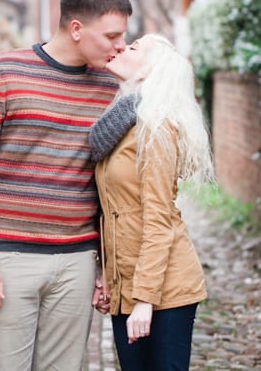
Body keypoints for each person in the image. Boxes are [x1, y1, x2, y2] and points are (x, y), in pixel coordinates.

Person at [0, 0, 132, 370]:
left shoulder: (110, 90)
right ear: (76, 28)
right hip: (9, 259)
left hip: (76, 261)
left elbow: (109, 181)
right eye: (112, 35)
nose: (120, 46)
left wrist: (103, 263)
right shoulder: (0, 75)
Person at [88, 33, 215, 371]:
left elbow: (158, 219)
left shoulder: (156, 129)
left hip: (165, 290)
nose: (120, 48)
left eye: (132, 48)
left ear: (147, 72)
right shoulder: (120, 125)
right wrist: (105, 274)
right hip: (127, 287)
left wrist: (144, 301)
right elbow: (112, 209)